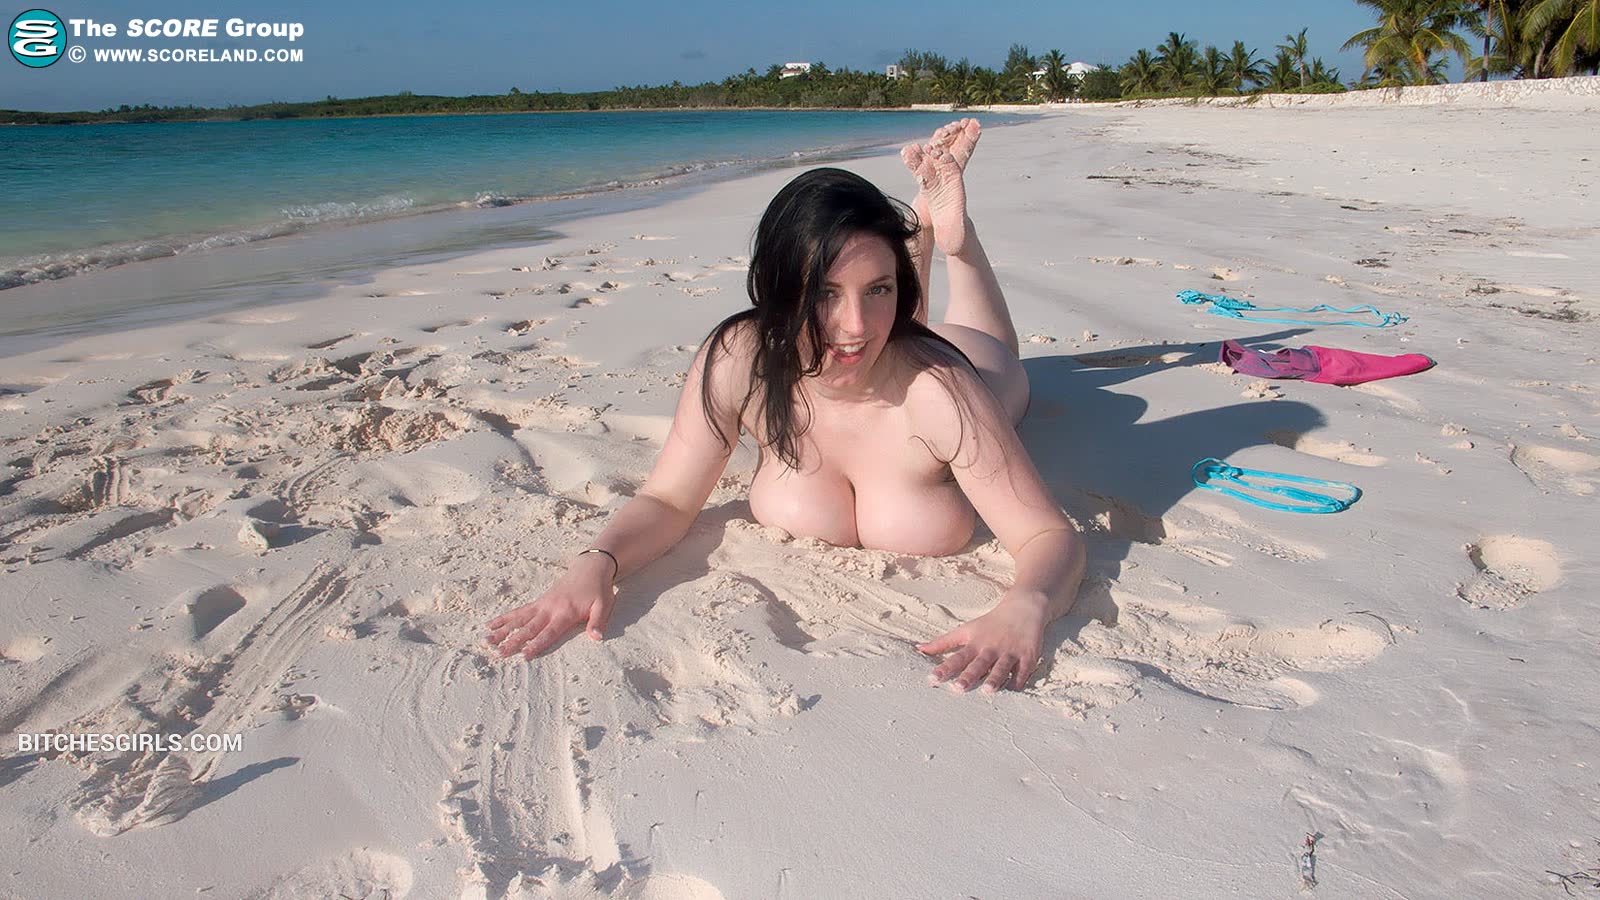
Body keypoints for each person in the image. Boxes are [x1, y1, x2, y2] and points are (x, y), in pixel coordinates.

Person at [486, 119, 1086, 693]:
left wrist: (1026, 604)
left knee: (983, 349)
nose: (855, 322)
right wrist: (598, 562)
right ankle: (917, 236)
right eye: (824, 292)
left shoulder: (944, 393)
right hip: (898, 362)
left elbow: (1047, 534)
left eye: (880, 288)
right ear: (777, 290)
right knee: (868, 340)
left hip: (977, 372)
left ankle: (950, 240)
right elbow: (667, 499)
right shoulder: (739, 361)